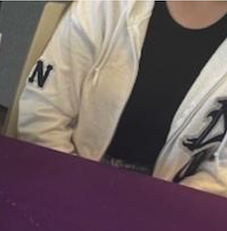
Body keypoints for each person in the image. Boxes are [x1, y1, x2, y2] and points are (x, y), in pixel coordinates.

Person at [18, 1, 227, 196]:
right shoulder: (106, 6)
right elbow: (43, 112)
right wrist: (73, 184)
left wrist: (167, 205)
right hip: (66, 177)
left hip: (172, 204)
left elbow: (221, 174)